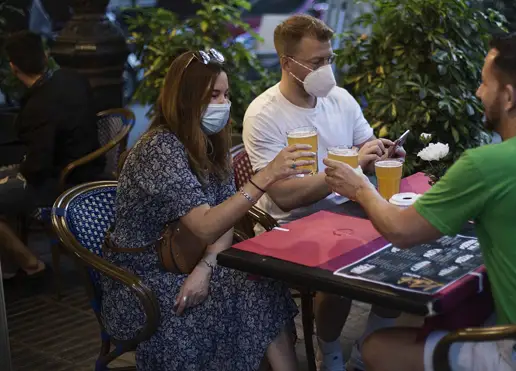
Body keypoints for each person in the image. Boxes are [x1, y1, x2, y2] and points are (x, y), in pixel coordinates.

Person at [323, 31, 516, 371]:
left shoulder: (487, 164)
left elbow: (400, 230)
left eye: (484, 83)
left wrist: (359, 187)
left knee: (376, 347)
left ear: (509, 97)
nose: (478, 92)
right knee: (438, 318)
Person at [101, 49, 315, 371]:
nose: (223, 103)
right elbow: (204, 225)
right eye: (213, 95)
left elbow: (224, 216)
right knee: (250, 293)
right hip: (141, 281)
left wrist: (207, 267)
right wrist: (266, 176)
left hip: (190, 264)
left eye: (226, 94)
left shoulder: (210, 142)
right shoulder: (159, 148)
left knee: (261, 282)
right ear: (186, 99)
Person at [243, 14, 405, 371]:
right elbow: (283, 196)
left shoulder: (339, 99)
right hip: (292, 224)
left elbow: (365, 144)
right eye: (316, 62)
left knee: (403, 249)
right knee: (341, 271)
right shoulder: (264, 115)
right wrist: (348, 171)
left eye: (329, 59)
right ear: (288, 63)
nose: (326, 69)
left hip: (348, 211)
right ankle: (330, 352)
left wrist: (382, 152)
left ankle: (368, 354)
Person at [0, 30, 104, 279]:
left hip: (61, 183)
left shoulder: (38, 106)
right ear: (45, 57)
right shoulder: (72, 78)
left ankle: (31, 265)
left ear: (14, 68)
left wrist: (14, 172)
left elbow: (37, 167)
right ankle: (10, 267)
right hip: (89, 167)